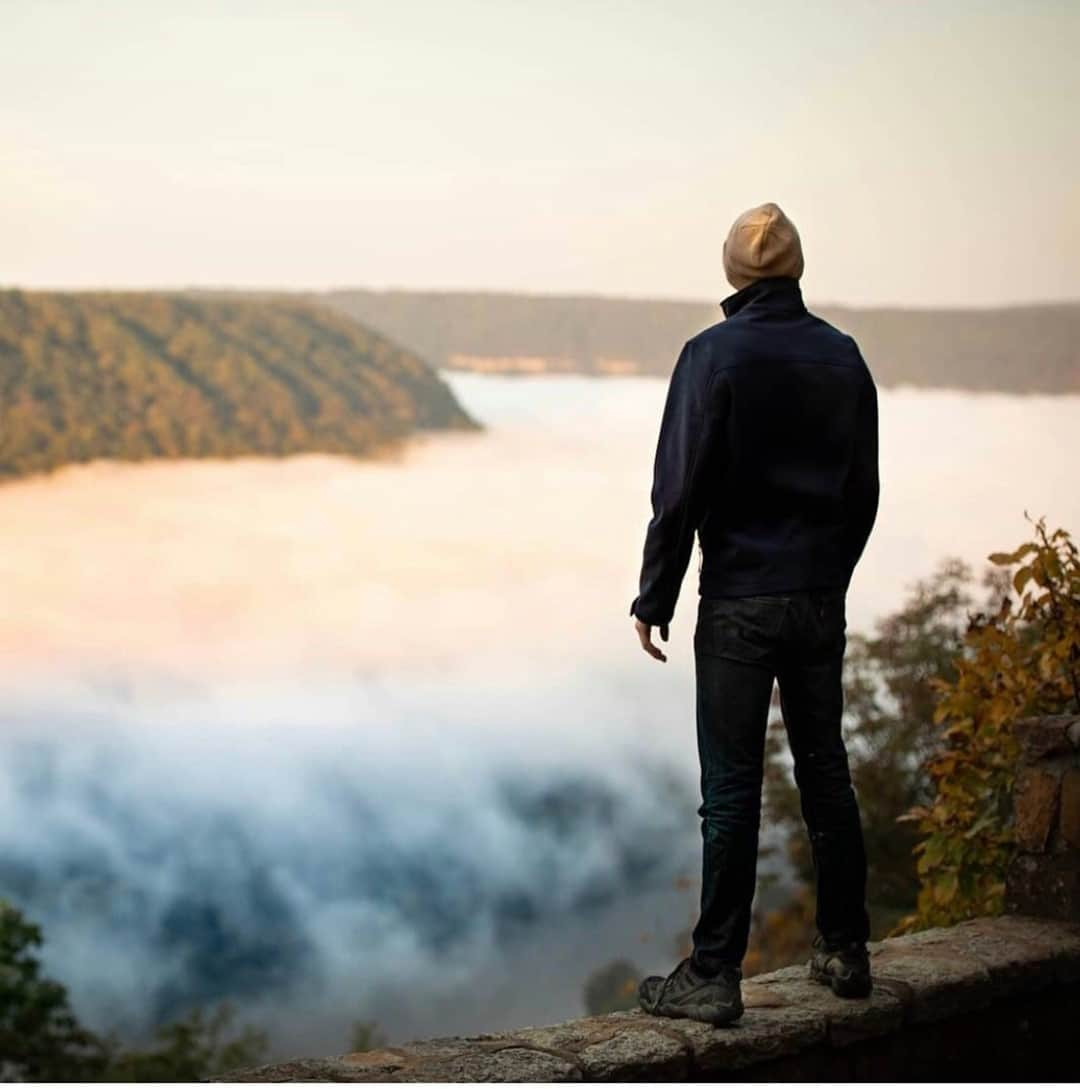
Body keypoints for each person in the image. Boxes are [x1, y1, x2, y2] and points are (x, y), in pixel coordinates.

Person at [629, 202, 879, 1026]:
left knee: (731, 789)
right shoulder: (843, 357)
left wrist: (654, 596)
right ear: (797, 270)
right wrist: (830, 576)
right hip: (817, 597)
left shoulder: (711, 356)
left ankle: (714, 974)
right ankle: (845, 949)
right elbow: (862, 492)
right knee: (827, 771)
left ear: (734, 276)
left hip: (737, 600)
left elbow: (680, 489)